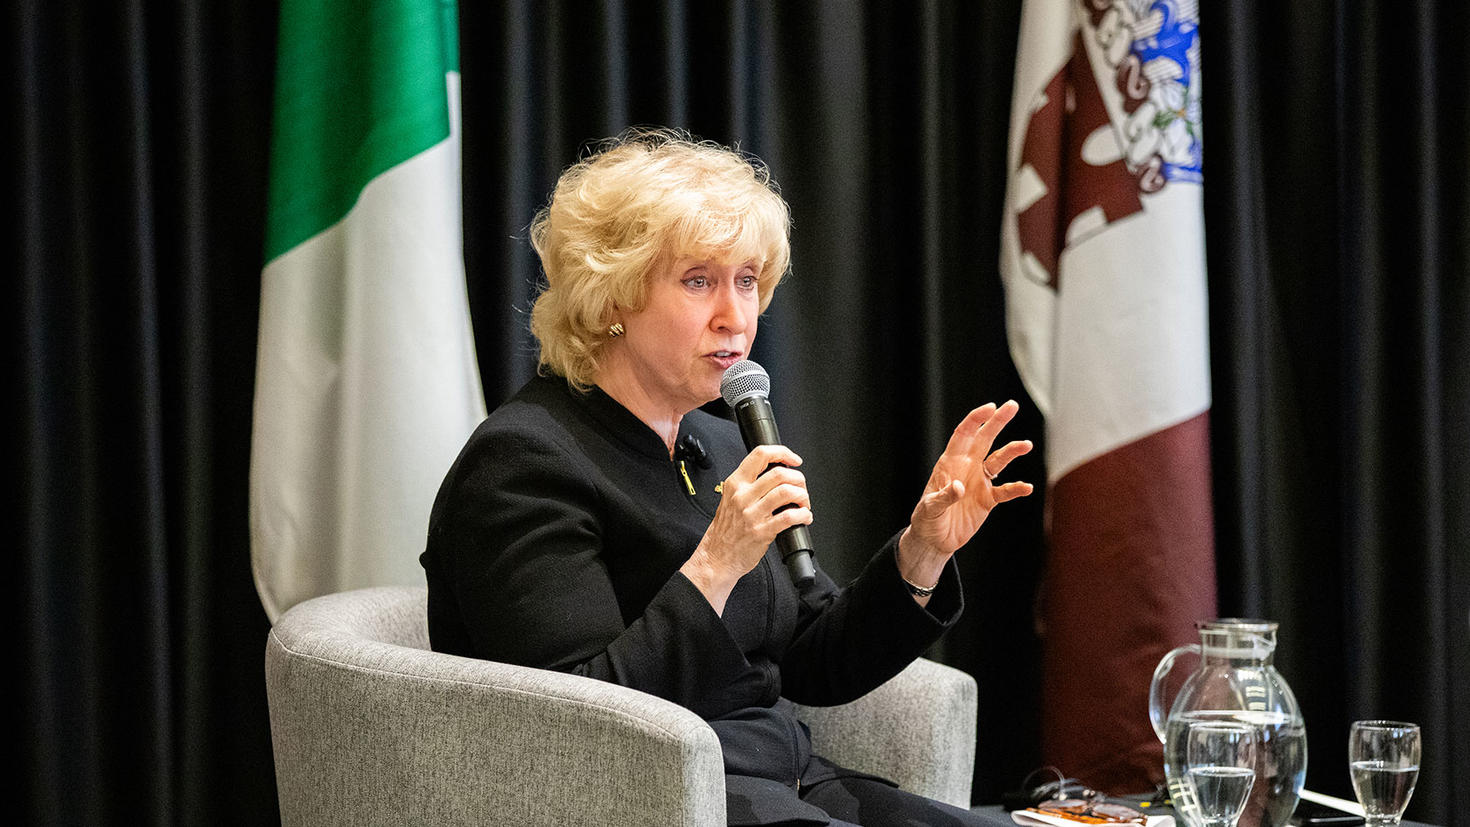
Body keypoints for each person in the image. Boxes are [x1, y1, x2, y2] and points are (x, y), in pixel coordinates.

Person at [420, 128, 1034, 826]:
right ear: (612, 295)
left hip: (790, 782)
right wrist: (714, 565)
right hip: (670, 802)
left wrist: (923, 549)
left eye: (747, 281)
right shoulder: (525, 464)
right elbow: (578, 726)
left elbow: (812, 659)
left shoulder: (717, 439)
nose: (735, 316)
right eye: (698, 281)